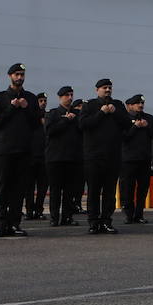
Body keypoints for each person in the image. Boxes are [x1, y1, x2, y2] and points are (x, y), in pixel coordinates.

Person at [0, 63, 40, 237]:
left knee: (20, 189)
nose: (19, 77)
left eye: (22, 74)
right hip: (4, 149)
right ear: (10, 76)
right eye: (16, 74)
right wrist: (12, 107)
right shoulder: (0, 98)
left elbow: (36, 124)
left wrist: (26, 108)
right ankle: (1, 224)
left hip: (24, 149)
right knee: (4, 187)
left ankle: (14, 224)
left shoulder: (31, 98)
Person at [80, 79, 130, 234]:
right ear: (97, 90)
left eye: (109, 87)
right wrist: (101, 113)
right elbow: (83, 125)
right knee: (94, 191)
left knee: (109, 192)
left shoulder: (119, 105)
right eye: (104, 87)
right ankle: (93, 222)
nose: (107, 90)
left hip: (113, 155)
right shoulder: (89, 105)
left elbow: (128, 123)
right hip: (94, 156)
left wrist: (115, 112)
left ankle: (106, 221)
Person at [44, 86, 83, 226]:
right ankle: (54, 217)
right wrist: (65, 120)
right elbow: (49, 131)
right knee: (55, 190)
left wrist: (75, 120)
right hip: (55, 158)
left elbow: (83, 130)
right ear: (60, 97)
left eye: (71, 95)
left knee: (69, 191)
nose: (70, 98)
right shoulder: (53, 114)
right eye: (67, 95)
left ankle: (67, 217)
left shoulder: (77, 114)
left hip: (72, 158)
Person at [120, 94, 153, 224]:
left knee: (143, 189)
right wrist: (135, 127)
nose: (140, 105)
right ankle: (129, 214)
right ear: (129, 106)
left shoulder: (149, 119)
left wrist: (147, 126)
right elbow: (124, 137)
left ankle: (139, 214)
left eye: (142, 103)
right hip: (128, 160)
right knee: (127, 189)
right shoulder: (124, 120)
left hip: (144, 159)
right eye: (137, 103)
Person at [26, 92, 49, 220]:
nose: (43, 103)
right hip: (31, 155)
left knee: (42, 186)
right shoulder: (31, 117)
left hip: (44, 156)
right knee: (29, 187)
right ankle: (30, 210)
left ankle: (39, 210)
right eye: (41, 101)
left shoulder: (49, 116)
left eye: (45, 100)